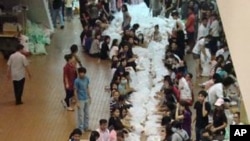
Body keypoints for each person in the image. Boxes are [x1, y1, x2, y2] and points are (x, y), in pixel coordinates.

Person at [74, 67, 91, 132]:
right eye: (80, 73)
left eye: (83, 73)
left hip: (86, 98)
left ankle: (86, 127)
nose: (82, 74)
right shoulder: (77, 81)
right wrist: (77, 101)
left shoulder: (87, 79)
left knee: (87, 114)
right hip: (80, 99)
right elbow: (75, 91)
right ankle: (80, 128)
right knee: (80, 115)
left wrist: (89, 96)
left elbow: (87, 87)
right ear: (78, 73)